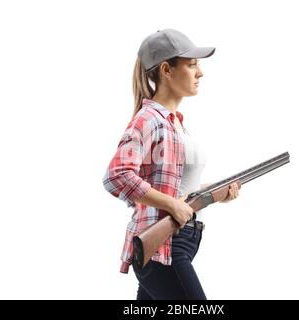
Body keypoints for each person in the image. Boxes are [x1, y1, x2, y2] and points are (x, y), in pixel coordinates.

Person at [102, 28, 240, 300]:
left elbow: (174, 187)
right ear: (166, 70)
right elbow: (116, 175)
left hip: (179, 243)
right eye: (191, 65)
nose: (200, 73)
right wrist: (172, 204)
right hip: (165, 248)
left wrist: (213, 192)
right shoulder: (149, 119)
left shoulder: (174, 123)